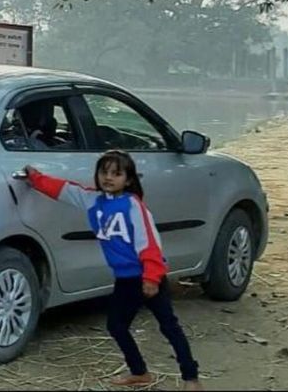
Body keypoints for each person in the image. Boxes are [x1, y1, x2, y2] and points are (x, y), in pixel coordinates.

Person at [21, 150, 203, 390]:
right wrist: (35, 178)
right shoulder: (93, 200)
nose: (108, 178)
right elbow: (64, 190)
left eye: (116, 174)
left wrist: (151, 277)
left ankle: (191, 378)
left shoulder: (132, 205)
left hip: (147, 276)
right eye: (104, 172)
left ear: (127, 180)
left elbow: (149, 242)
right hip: (124, 280)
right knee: (116, 326)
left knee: (169, 326)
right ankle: (139, 372)